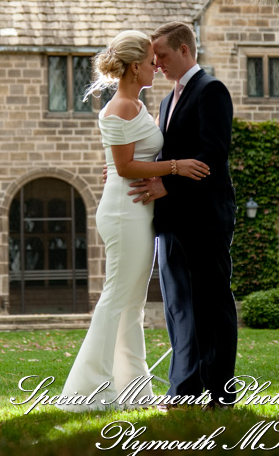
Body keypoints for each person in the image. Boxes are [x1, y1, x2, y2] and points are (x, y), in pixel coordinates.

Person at [59, 30, 210, 411]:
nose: (155, 67)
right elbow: (125, 165)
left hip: (136, 211)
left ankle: (134, 390)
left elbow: (121, 159)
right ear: (132, 67)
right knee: (117, 299)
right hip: (125, 212)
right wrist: (175, 167)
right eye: (149, 62)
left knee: (131, 305)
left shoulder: (137, 106)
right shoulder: (121, 107)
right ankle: (89, 389)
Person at [128, 21, 236, 409]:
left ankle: (221, 394)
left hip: (205, 217)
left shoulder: (212, 91)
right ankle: (184, 389)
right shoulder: (166, 100)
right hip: (170, 220)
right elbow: (163, 155)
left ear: (185, 51)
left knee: (211, 303)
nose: (156, 64)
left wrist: (166, 185)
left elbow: (213, 155)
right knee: (178, 307)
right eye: (154, 58)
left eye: (162, 56)